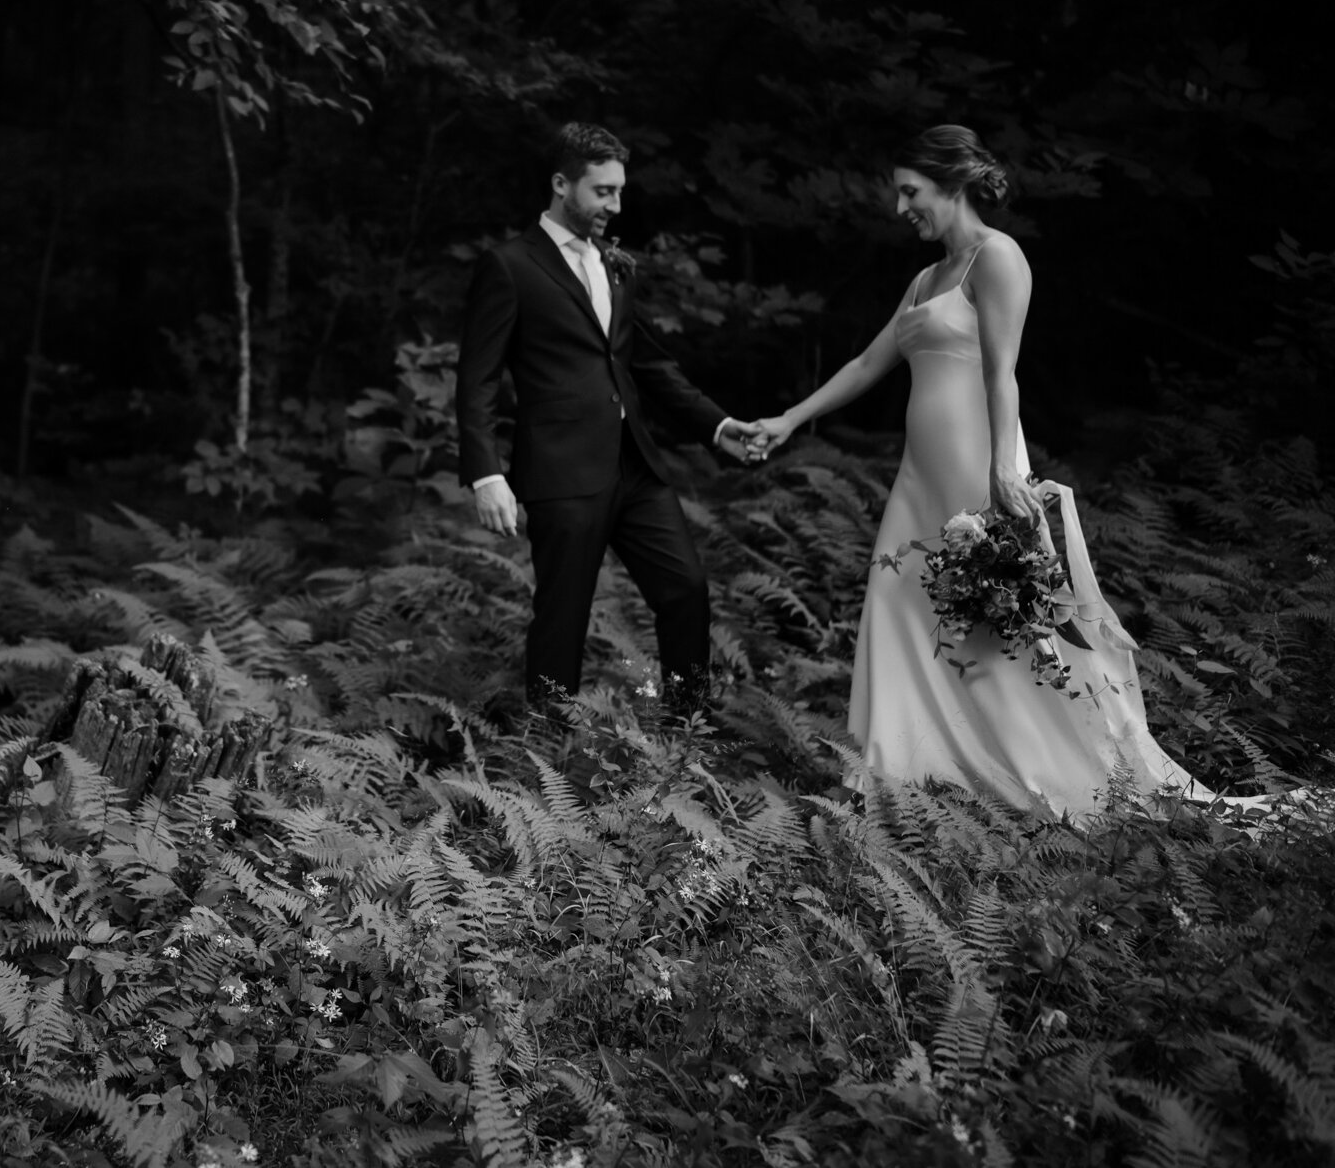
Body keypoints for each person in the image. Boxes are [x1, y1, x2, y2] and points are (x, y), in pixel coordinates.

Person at [746, 125, 1220, 815]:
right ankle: (893, 777)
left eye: (911, 191)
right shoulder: (925, 277)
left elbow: (1003, 373)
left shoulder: (997, 258)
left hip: (980, 469)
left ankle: (1063, 777)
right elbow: (866, 364)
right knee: (899, 606)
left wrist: (1003, 467)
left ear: (952, 183)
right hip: (919, 480)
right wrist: (786, 420)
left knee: (999, 626)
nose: (901, 206)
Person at [457, 122, 762, 708]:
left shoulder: (617, 266)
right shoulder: (510, 266)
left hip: (636, 467)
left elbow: (646, 362)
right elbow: (476, 379)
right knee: (563, 615)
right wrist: (486, 473)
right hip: (561, 470)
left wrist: (718, 427)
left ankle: (686, 731)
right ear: (560, 184)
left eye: (620, 191)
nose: (615, 205)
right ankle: (548, 752)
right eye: (602, 191)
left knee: (686, 590)